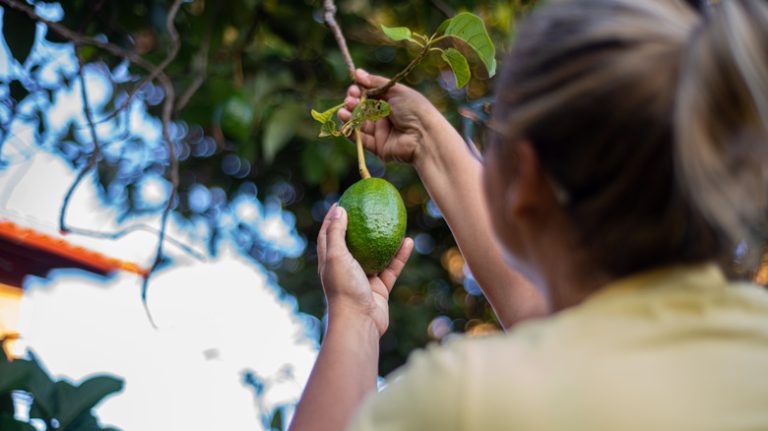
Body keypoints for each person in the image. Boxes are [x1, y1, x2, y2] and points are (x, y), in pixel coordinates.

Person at [289, 0, 768, 429]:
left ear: (527, 172)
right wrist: (430, 144)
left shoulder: (470, 402)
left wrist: (353, 315)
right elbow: (555, 320)